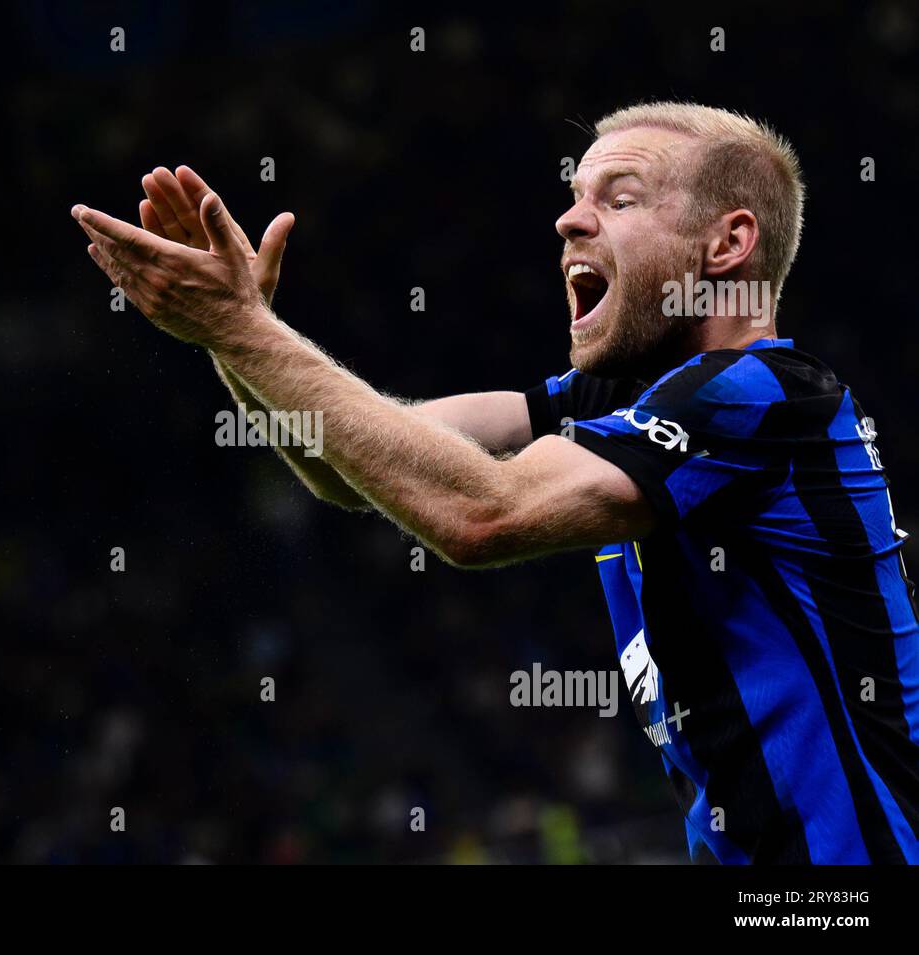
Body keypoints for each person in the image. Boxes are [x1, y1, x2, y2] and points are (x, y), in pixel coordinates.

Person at [70, 102, 919, 864]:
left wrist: (245, 331)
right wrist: (232, 337)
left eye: (619, 199)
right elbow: (347, 470)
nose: (568, 219)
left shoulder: (767, 395)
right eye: (575, 196)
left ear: (728, 245)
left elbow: (480, 513)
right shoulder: (614, 405)